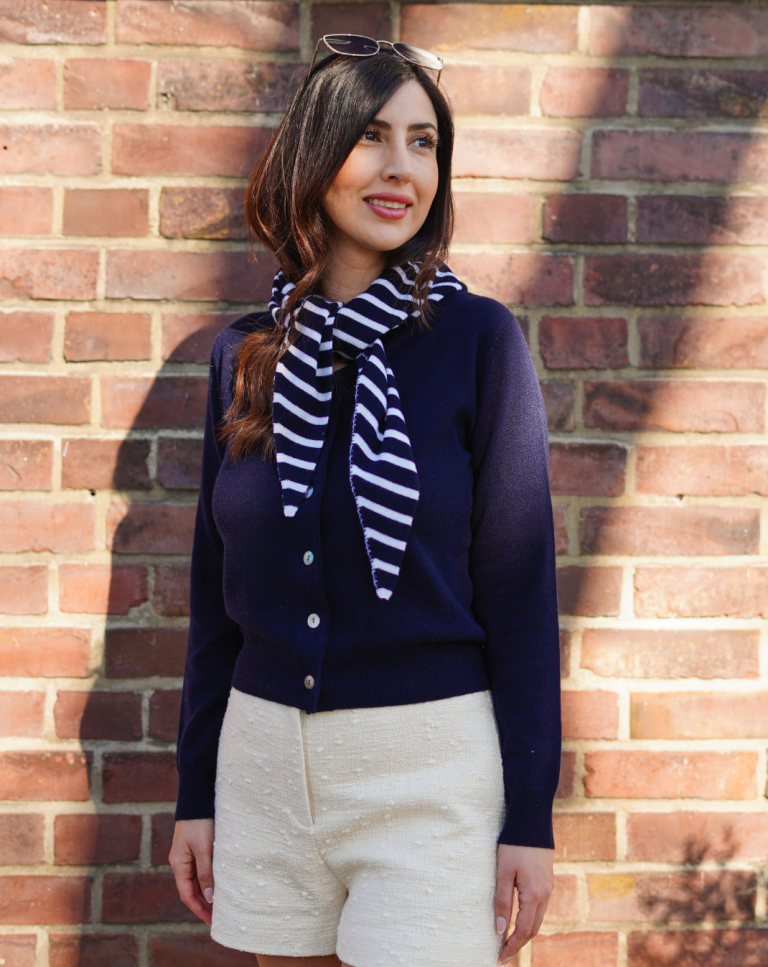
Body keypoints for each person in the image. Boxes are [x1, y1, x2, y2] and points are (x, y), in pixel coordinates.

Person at [169, 33, 562, 967]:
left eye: (424, 143)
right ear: (315, 155)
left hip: (429, 770)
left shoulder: (478, 340)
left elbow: (520, 592)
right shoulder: (244, 355)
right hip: (264, 765)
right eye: (372, 137)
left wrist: (530, 816)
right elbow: (216, 599)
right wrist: (196, 792)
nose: (401, 168)